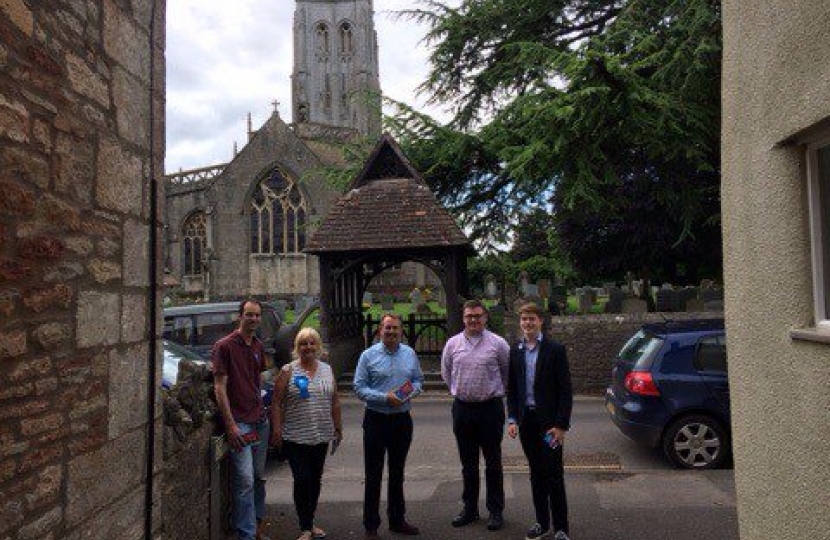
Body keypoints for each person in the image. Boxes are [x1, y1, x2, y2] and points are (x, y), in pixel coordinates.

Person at [441, 299, 510, 531]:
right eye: (469, 316)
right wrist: (461, 391)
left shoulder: (498, 344)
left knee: (493, 462)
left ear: (485, 317)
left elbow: (507, 373)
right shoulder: (452, 344)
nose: (473, 319)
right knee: (467, 464)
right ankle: (470, 509)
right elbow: (447, 373)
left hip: (490, 409)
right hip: (462, 409)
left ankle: (496, 511)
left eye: (478, 315)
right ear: (463, 318)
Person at [506, 302, 573, 540]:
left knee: (554, 473)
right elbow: (512, 389)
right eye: (524, 319)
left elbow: (565, 391)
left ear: (540, 321)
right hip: (527, 423)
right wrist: (512, 419)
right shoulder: (515, 351)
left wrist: (561, 425)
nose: (527, 323)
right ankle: (541, 523)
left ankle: (561, 528)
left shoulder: (555, 350)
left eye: (531, 319)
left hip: (550, 426)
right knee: (536, 473)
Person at [353, 313, 424, 540]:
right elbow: (359, 387)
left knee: (397, 473)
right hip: (376, 419)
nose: (391, 332)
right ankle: (371, 525)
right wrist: (385, 398)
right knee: (373, 475)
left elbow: (418, 381)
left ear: (401, 331)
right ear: (379, 331)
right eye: (387, 328)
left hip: (402, 421)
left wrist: (404, 395)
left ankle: (397, 519)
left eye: (395, 328)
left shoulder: (410, 353)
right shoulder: (368, 356)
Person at [270, 328, 342, 540]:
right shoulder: (288, 371)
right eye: (303, 344)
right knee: (302, 480)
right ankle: (305, 527)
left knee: (315, 480)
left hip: (321, 434)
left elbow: (335, 401)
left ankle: (310, 523)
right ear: (297, 348)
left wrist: (338, 428)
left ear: (318, 346)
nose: (308, 347)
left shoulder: (327, 370)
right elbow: (276, 403)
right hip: (295, 436)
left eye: (312, 343)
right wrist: (276, 430)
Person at [212, 299, 271, 540]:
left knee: (258, 477)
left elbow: (256, 381)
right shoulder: (224, 346)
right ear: (240, 317)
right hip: (241, 423)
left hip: (259, 420)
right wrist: (231, 424)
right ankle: (245, 534)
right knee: (244, 480)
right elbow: (219, 387)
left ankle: (255, 527)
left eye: (257, 315)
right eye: (249, 315)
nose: (254, 319)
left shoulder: (258, 345)